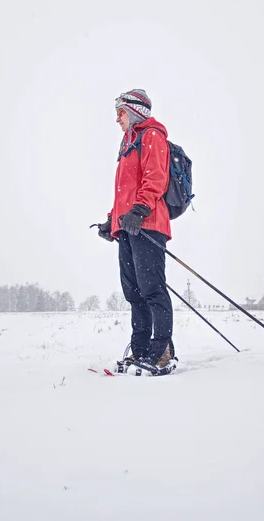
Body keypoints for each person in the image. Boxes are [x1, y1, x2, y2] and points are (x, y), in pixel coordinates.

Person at [98, 89, 176, 375]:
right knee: (134, 293)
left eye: (121, 112)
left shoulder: (152, 135)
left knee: (152, 289)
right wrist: (112, 220)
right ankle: (140, 349)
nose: (117, 119)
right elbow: (124, 191)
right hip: (128, 227)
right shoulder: (127, 142)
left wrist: (140, 209)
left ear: (135, 111)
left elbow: (156, 176)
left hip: (149, 225)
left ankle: (162, 352)